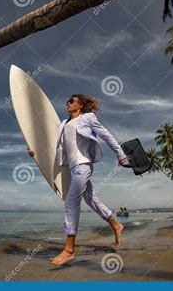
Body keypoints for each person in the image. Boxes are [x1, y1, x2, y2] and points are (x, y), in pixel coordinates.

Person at [28, 94, 128, 265]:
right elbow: (55, 147)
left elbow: (107, 135)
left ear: (80, 105)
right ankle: (116, 225)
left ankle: (69, 250)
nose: (68, 102)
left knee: (71, 201)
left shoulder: (88, 118)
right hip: (71, 168)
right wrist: (36, 154)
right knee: (91, 199)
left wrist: (121, 155)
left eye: (72, 101)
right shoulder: (64, 124)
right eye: (67, 100)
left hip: (83, 165)